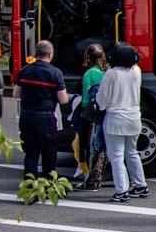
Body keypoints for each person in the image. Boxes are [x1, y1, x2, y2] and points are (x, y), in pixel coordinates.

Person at [97, 42, 149, 203]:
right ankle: (141, 186)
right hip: (134, 118)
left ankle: (121, 191)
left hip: (115, 120)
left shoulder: (111, 74)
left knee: (117, 156)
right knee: (132, 153)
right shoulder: (136, 71)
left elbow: (102, 101)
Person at [12, 40, 68, 181]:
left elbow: (15, 94)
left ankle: (29, 186)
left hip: (26, 115)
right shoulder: (55, 73)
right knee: (48, 152)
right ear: (50, 54)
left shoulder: (25, 70)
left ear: (36, 53)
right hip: (45, 117)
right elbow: (63, 99)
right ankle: (48, 185)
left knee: (31, 153)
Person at [75, 44, 109, 191]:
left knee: (91, 146)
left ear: (88, 57)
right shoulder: (108, 72)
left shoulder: (89, 74)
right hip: (108, 113)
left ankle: (91, 179)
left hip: (93, 115)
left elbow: (85, 101)